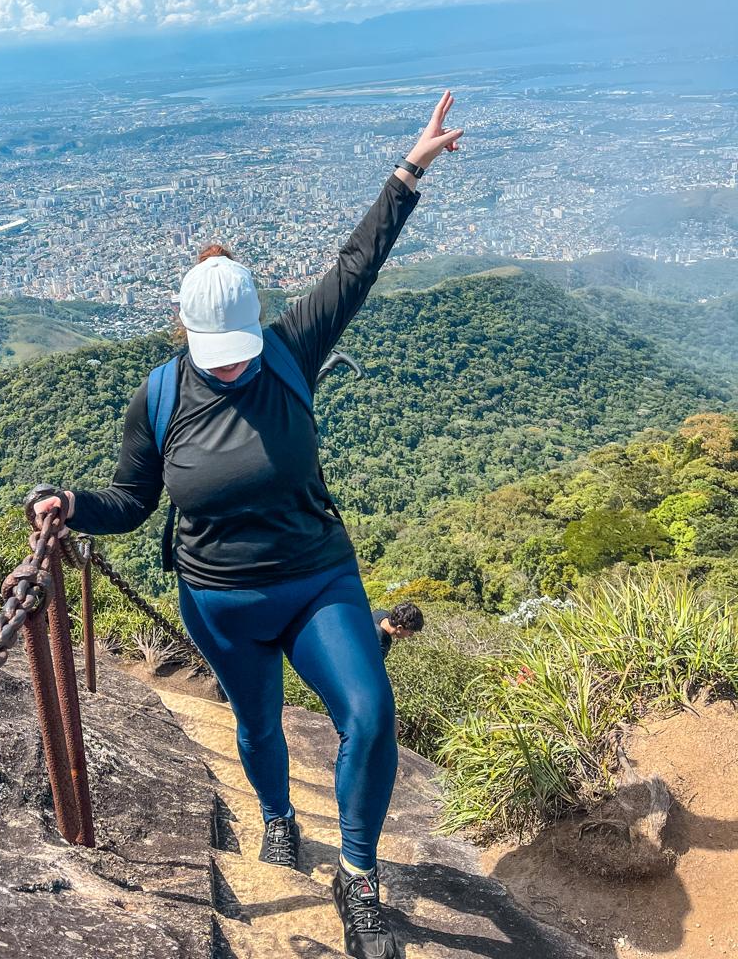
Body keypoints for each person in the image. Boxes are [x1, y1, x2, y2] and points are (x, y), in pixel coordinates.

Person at [31, 90, 463, 959]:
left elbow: (357, 265)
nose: (230, 367)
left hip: (317, 577)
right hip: (220, 599)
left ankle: (359, 875)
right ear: (186, 330)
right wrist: (73, 505)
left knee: (371, 713)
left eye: (239, 350)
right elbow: (133, 502)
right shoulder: (158, 395)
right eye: (213, 353)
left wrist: (409, 171)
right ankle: (276, 820)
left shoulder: (290, 347)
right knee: (258, 726)